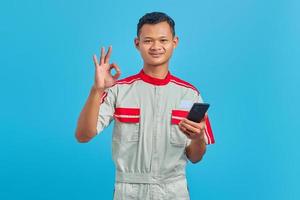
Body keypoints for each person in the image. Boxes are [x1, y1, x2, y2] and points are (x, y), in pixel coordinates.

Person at [75, 11, 215, 200]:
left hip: (174, 190)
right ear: (137, 43)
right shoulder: (119, 90)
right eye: (148, 40)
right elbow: (83, 135)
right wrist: (97, 90)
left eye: (163, 40)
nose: (156, 46)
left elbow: (196, 157)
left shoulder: (190, 94)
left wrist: (198, 138)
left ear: (175, 43)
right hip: (129, 190)